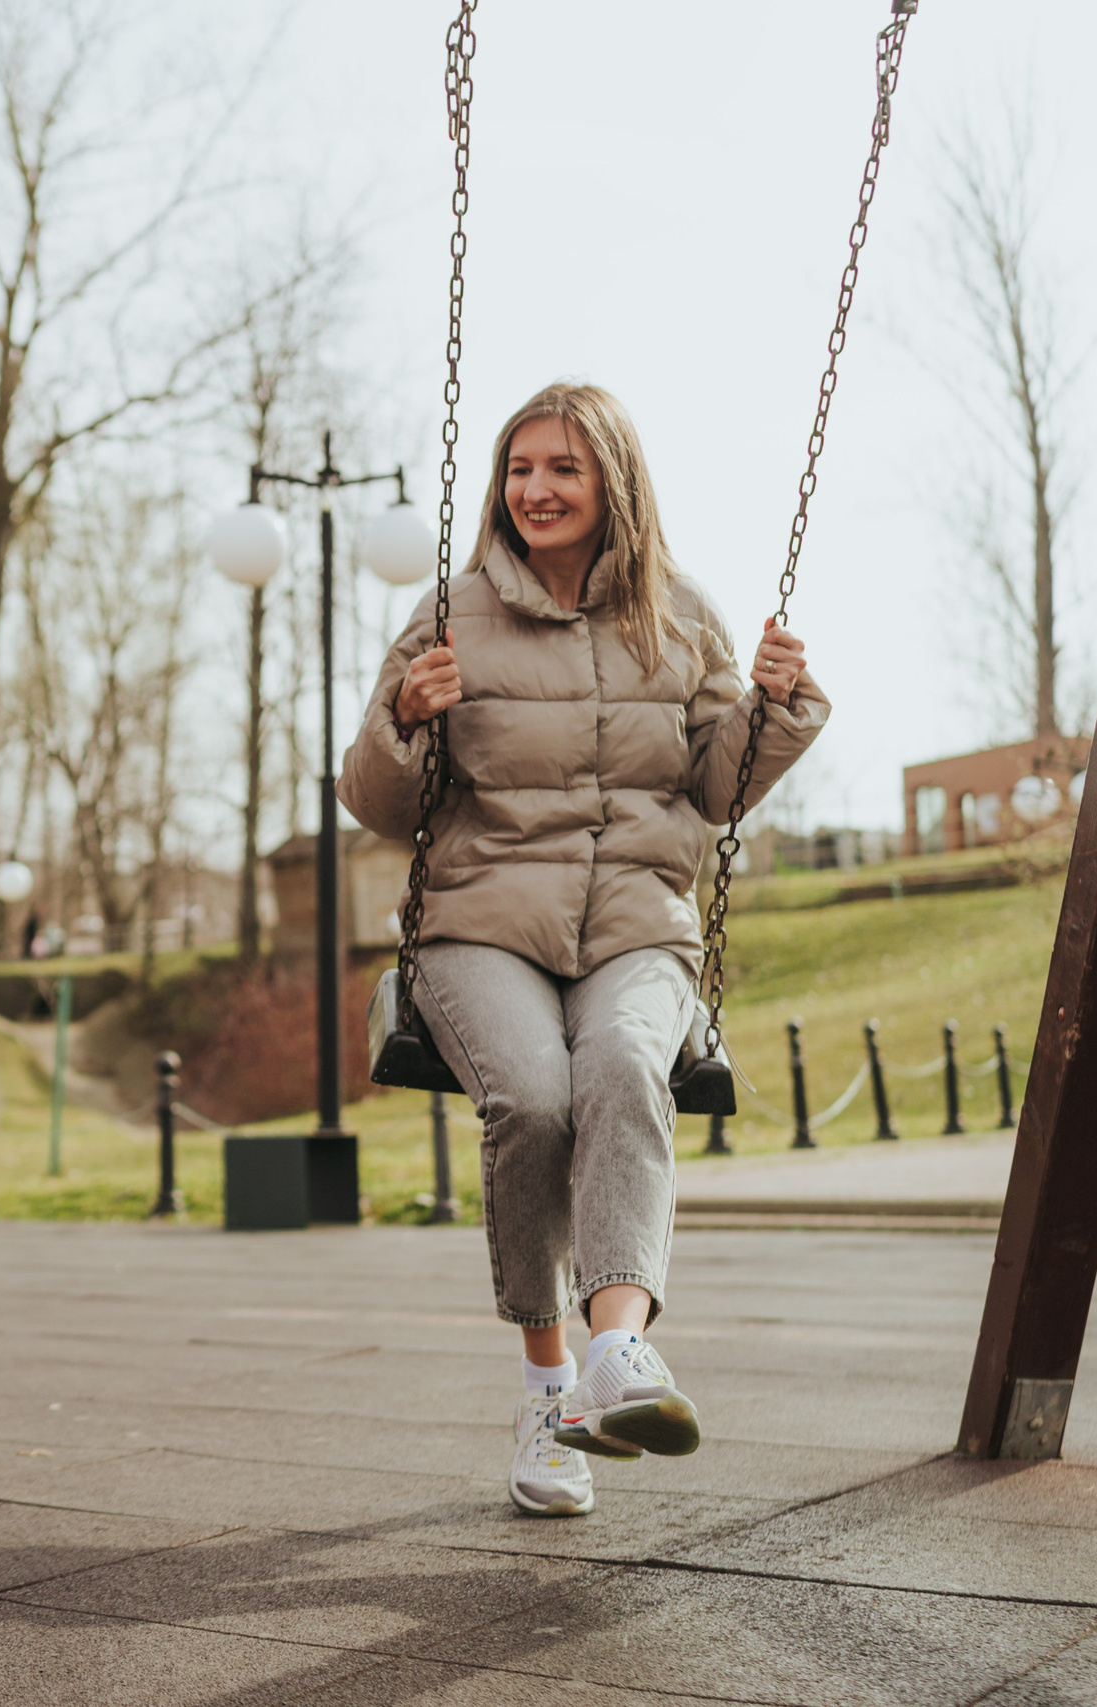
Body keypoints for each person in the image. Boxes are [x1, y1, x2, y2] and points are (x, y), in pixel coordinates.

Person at [339, 382, 826, 1519]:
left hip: (633, 926)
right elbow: (372, 802)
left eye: (562, 469)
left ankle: (618, 1357)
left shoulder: (679, 613)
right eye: (520, 470)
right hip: (480, 921)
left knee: (619, 1068)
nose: (537, 490)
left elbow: (715, 787)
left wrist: (775, 708)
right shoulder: (450, 615)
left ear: (613, 482)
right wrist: (406, 716)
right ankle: (548, 1386)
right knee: (536, 1099)